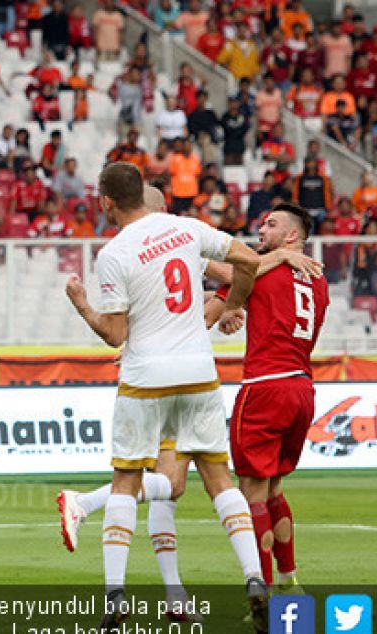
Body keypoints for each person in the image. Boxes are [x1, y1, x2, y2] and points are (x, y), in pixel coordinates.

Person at [56, 163, 268, 631]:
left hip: (145, 377)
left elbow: (115, 334)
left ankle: (115, 595)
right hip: (197, 372)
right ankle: (254, 578)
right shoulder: (186, 229)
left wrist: (82, 306)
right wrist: (233, 303)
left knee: (127, 483)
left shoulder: (114, 253)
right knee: (219, 480)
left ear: (107, 201)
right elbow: (249, 261)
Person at [209, 204, 329, 593]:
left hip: (265, 386)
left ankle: (258, 585)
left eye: (271, 224)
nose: (261, 229)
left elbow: (229, 272)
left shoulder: (263, 270)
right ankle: (289, 581)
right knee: (274, 488)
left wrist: (186, 253)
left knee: (251, 494)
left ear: (292, 236)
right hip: (301, 388)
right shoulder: (317, 280)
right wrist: (231, 301)